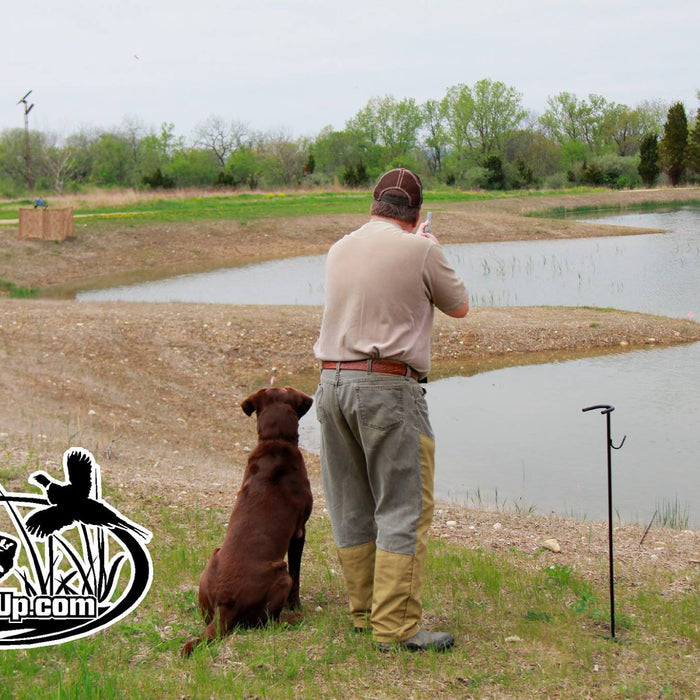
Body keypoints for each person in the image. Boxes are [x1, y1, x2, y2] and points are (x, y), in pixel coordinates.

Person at [313, 168, 469, 652]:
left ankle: (364, 614)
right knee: (403, 504)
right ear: (417, 213)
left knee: (351, 503)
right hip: (386, 387)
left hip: (331, 384)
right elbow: (459, 306)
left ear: (375, 206)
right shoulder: (422, 248)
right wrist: (429, 244)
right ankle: (397, 627)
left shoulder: (340, 247)